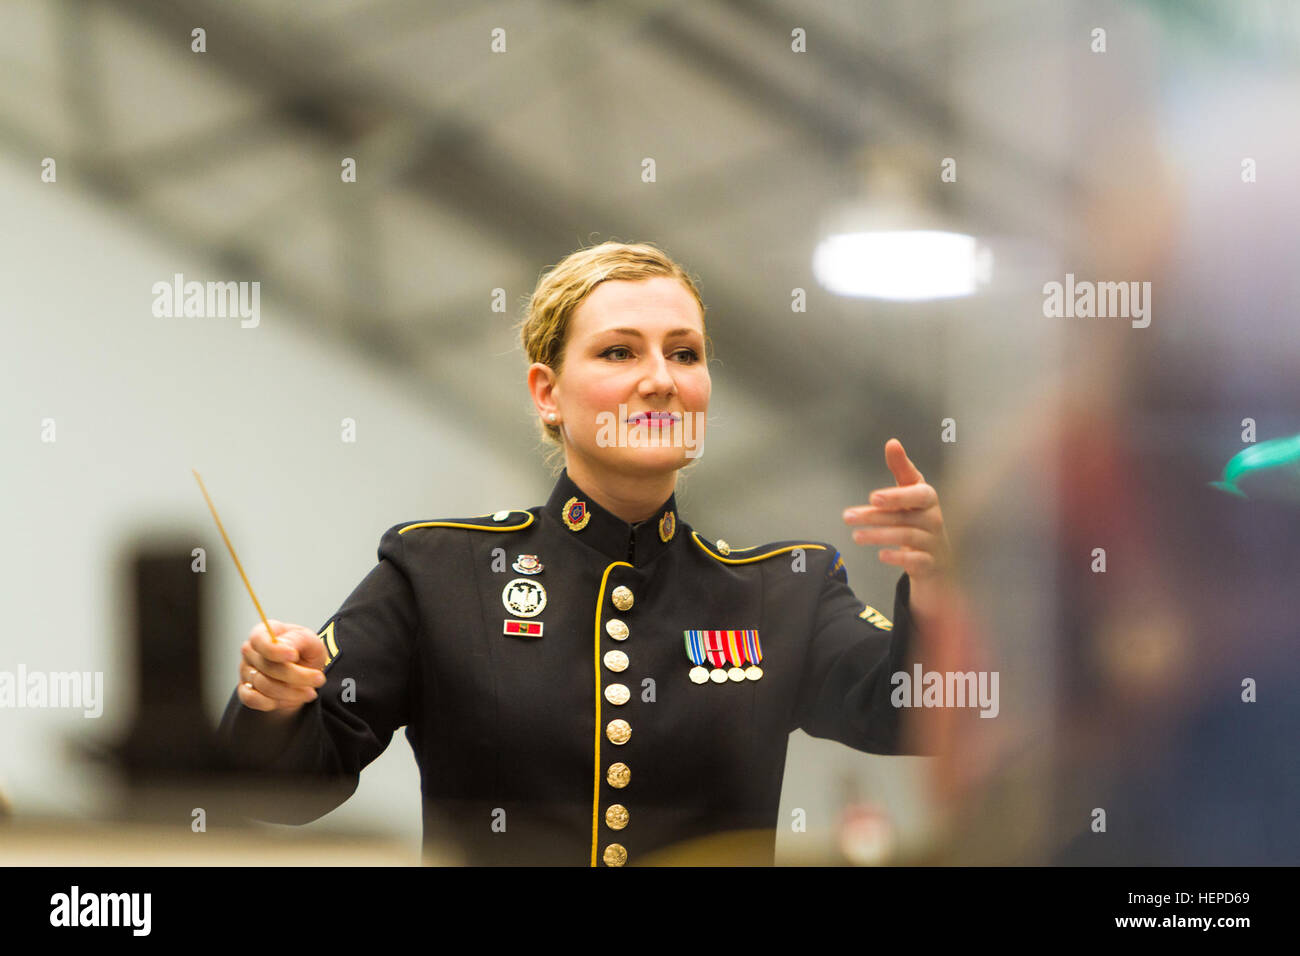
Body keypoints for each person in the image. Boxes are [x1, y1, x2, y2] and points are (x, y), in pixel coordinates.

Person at [216, 240, 955, 865]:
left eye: (685, 354)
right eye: (618, 352)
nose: (660, 380)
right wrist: (274, 704)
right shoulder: (438, 573)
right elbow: (282, 789)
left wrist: (937, 586)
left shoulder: (784, 589)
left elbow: (915, 714)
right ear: (547, 392)